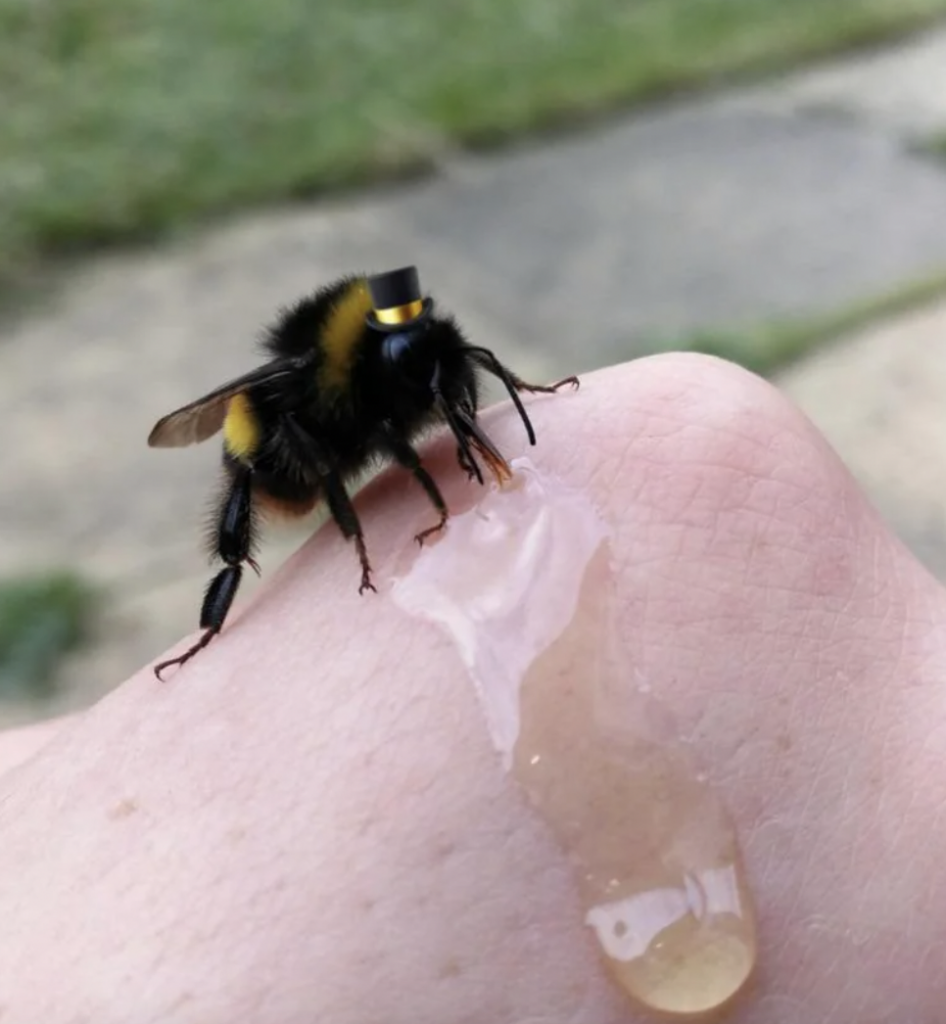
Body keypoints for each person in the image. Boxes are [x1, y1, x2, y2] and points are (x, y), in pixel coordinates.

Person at [0, 354, 941, 1023]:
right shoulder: (333, 391)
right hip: (286, 444)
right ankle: (215, 619)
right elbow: (379, 442)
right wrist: (370, 545)